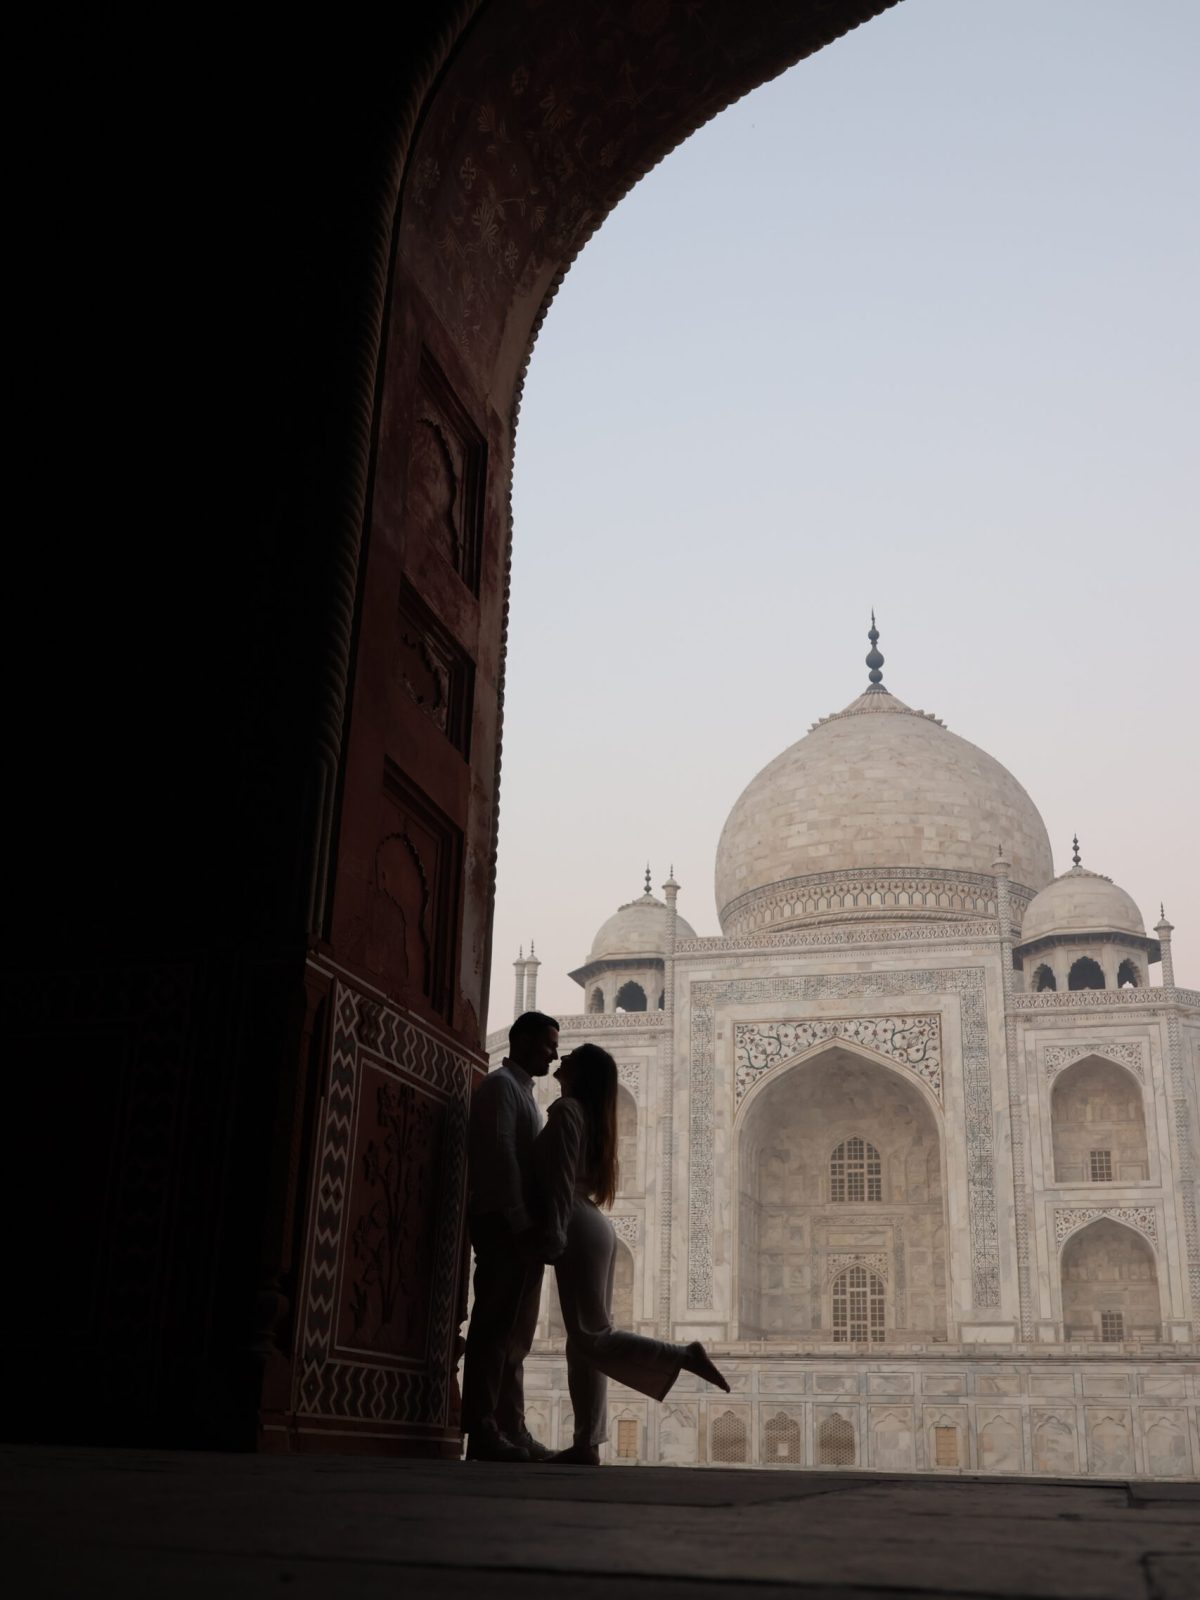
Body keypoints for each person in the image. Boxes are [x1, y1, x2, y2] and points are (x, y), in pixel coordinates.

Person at [534, 1041, 729, 1465]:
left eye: (571, 1058)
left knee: (591, 1336)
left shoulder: (567, 1111)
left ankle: (682, 1354)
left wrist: (552, 1235)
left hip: (573, 1223)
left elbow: (560, 1179)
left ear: (581, 1073)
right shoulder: (592, 1117)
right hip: (593, 1224)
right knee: (582, 1344)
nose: (561, 1058)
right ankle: (586, 1443)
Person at [461, 1010, 560, 1462]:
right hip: (503, 1222)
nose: (553, 1055)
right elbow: (500, 1156)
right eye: (547, 1045)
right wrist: (520, 1220)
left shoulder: (522, 1092)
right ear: (520, 1041)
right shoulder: (501, 1087)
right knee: (494, 1328)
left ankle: (511, 1427)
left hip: (518, 1226)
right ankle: (483, 1428)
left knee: (515, 1334)